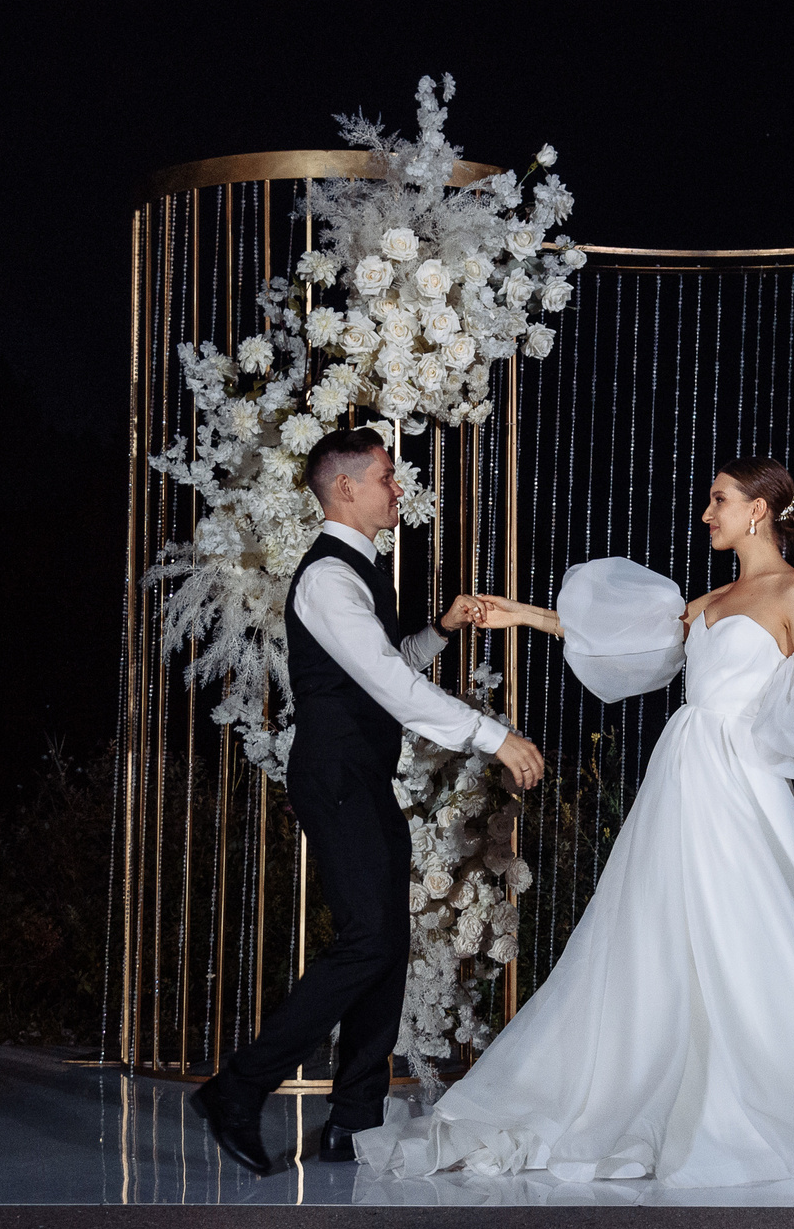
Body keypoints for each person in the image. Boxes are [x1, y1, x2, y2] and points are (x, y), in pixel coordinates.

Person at [356, 456, 794, 1188]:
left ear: (759, 510)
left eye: (720, 500)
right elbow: (625, 640)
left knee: (757, 926)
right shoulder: (715, 597)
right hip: (684, 776)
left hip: (742, 780)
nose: (708, 514)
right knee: (659, 929)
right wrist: (519, 614)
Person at [190, 426, 546, 1175]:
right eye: (386, 474)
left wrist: (443, 629)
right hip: (337, 778)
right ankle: (239, 1086)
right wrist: (493, 736)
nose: (398, 486)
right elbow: (391, 689)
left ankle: (355, 1120)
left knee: (384, 943)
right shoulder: (327, 579)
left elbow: (382, 668)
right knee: (369, 941)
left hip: (360, 775)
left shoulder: (356, 571)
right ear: (345, 487)